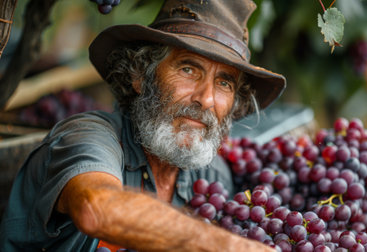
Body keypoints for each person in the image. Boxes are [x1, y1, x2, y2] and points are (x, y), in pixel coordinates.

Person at [0, 0, 286, 251]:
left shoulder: (212, 176)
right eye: (188, 69)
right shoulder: (87, 137)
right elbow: (97, 209)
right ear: (140, 75)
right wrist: (228, 246)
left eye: (224, 82)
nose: (206, 99)